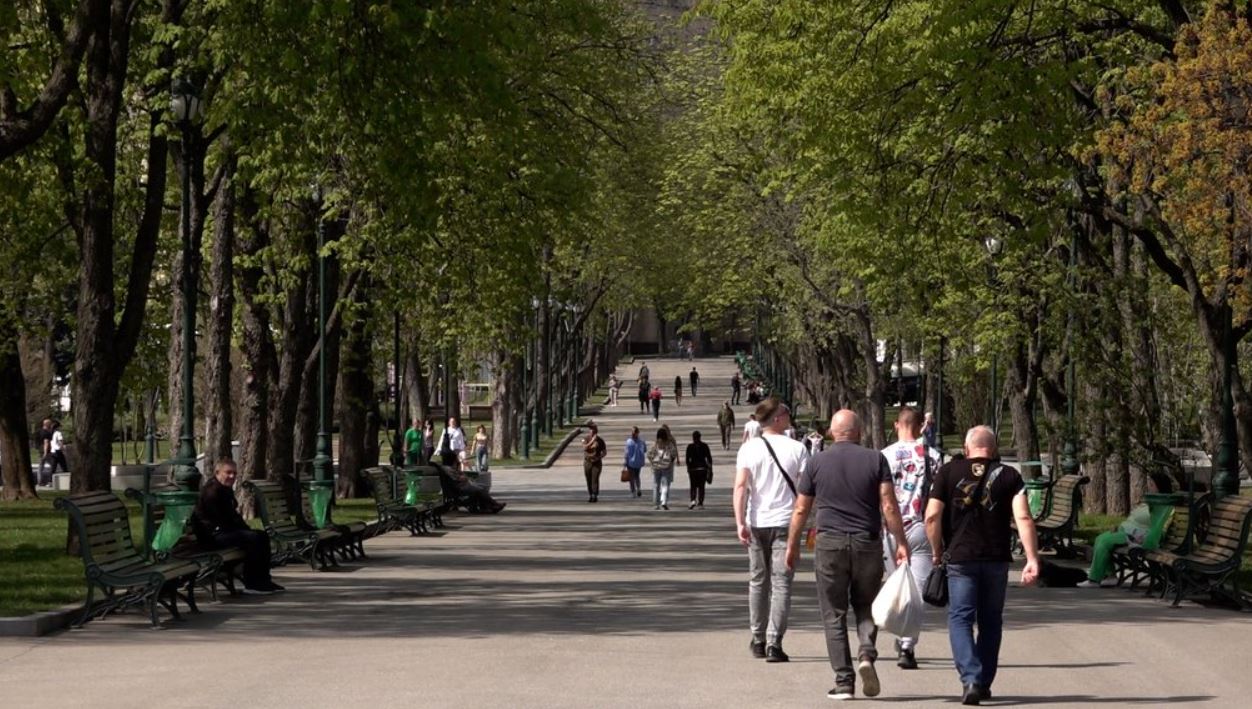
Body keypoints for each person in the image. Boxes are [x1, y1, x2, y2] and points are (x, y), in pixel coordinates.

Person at [784, 410, 908, 701]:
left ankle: (844, 681)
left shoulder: (816, 462)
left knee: (833, 613)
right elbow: (888, 504)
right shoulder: (876, 459)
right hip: (867, 542)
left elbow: (802, 508)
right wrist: (900, 541)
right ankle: (866, 652)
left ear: (831, 432)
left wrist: (792, 545)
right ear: (860, 431)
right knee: (866, 606)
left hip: (830, 544)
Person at [924, 426, 1040, 706]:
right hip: (996, 559)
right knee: (991, 622)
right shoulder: (1010, 476)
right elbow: (1023, 518)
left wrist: (937, 551)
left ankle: (971, 679)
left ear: (966, 448)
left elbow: (931, 516)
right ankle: (984, 680)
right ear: (995, 449)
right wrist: (1032, 559)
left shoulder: (948, 472)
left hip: (960, 558)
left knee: (961, 618)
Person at [734, 397, 808, 663]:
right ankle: (774, 643)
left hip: (757, 522)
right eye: (786, 412)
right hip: (786, 523)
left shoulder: (748, 449)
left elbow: (741, 487)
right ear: (776, 417)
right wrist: (809, 522)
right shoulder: (797, 449)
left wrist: (740, 522)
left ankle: (758, 638)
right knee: (781, 584)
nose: (789, 415)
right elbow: (805, 491)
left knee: (758, 581)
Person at [880, 406, 943, 670]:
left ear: (897, 425)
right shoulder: (934, 456)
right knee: (916, 592)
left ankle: (900, 633)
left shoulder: (884, 456)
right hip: (921, 526)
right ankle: (907, 646)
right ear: (921, 427)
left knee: (897, 585)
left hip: (891, 528)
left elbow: (881, 497)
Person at [191, 459, 283, 594]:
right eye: (228, 473)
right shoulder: (212, 492)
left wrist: (246, 529)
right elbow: (221, 520)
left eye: (234, 473)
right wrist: (244, 531)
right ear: (217, 473)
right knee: (253, 538)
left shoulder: (224, 489)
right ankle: (253, 584)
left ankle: (264, 580)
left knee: (261, 535)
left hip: (224, 532)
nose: (232, 476)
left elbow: (233, 517)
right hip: (212, 536)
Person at [1078, 472, 1174, 588]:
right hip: (1128, 531)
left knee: (1104, 541)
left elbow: (1159, 527)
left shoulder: (1165, 505)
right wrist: (1119, 526)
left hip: (1138, 536)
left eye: (1152, 485)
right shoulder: (1152, 501)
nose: (1149, 487)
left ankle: (1094, 580)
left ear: (1161, 486)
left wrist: (1143, 536)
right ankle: (1110, 576)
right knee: (1100, 539)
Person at [437, 461, 506, 513]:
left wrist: (462, 475)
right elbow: (458, 479)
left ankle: (487, 506)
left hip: (460, 486)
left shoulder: (448, 468)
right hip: (458, 488)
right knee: (479, 489)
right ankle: (493, 504)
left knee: (482, 487)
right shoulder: (448, 469)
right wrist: (463, 477)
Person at [647, 426, 677, 510]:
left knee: (656, 485)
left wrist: (652, 462)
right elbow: (674, 453)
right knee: (665, 485)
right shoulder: (669, 444)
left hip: (656, 467)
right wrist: (671, 462)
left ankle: (656, 503)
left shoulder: (655, 444)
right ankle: (663, 501)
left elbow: (649, 454)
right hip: (666, 466)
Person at [685, 430, 713, 509]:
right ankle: (700, 502)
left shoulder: (690, 447)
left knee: (693, 485)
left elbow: (687, 459)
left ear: (693, 438)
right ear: (700, 437)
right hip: (702, 469)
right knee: (701, 486)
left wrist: (688, 467)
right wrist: (710, 468)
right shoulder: (704, 446)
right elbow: (709, 458)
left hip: (693, 469)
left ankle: (693, 500)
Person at [582, 422, 607, 503]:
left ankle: (594, 495)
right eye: (590, 429)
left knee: (595, 479)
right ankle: (590, 494)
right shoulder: (585, 438)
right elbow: (585, 447)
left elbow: (604, 452)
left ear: (596, 431)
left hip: (597, 462)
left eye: (593, 429)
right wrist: (592, 441)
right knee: (588, 478)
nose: (591, 431)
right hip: (587, 461)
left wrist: (599, 457)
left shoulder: (600, 440)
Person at [624, 426, 647, 497]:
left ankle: (633, 492)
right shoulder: (642, 442)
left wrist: (625, 461)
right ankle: (638, 489)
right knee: (637, 476)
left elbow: (626, 453)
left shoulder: (629, 442)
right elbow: (645, 450)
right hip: (638, 462)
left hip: (630, 462)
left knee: (631, 477)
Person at [34, 418, 53, 486]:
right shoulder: (47, 433)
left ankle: (39, 482)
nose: (51, 425)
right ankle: (50, 481)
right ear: (47, 424)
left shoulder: (39, 431)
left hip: (40, 450)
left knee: (40, 467)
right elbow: (46, 442)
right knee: (53, 465)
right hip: (46, 451)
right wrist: (45, 452)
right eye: (50, 423)